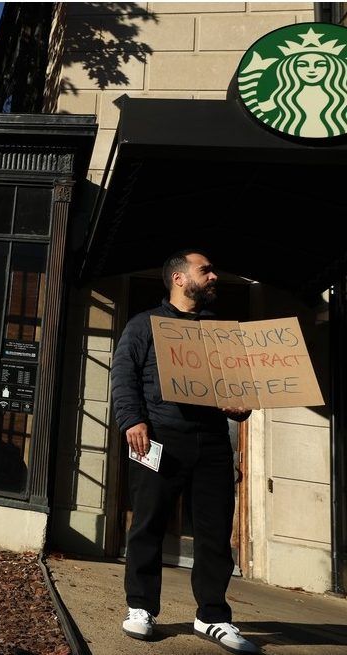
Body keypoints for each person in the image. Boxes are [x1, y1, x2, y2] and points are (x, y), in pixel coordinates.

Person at [110, 250, 259, 654]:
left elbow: (239, 389)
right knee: (148, 524)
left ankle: (212, 616)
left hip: (211, 441)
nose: (214, 276)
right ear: (179, 278)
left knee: (214, 533)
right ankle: (140, 607)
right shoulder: (144, 325)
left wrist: (240, 404)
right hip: (156, 438)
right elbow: (122, 376)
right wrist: (132, 421)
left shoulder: (221, 331)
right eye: (205, 270)